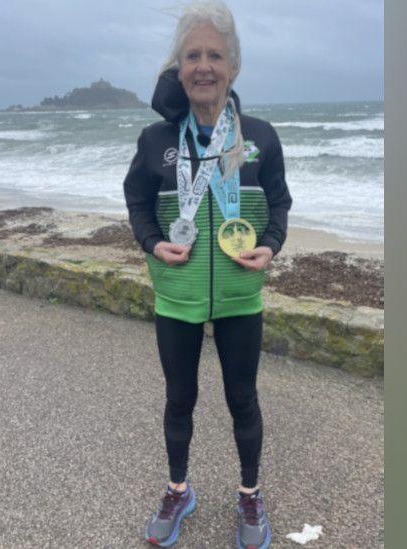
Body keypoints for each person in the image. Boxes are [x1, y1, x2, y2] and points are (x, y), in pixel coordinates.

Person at [123, 2, 292, 547]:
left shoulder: (261, 138)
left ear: (233, 65)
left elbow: (282, 204)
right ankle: (179, 490)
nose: (203, 66)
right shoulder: (156, 142)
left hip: (241, 297)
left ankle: (250, 497)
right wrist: (151, 243)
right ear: (179, 68)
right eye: (192, 55)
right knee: (179, 399)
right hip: (177, 297)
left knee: (243, 399)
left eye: (214, 55)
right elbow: (137, 202)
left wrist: (270, 245)